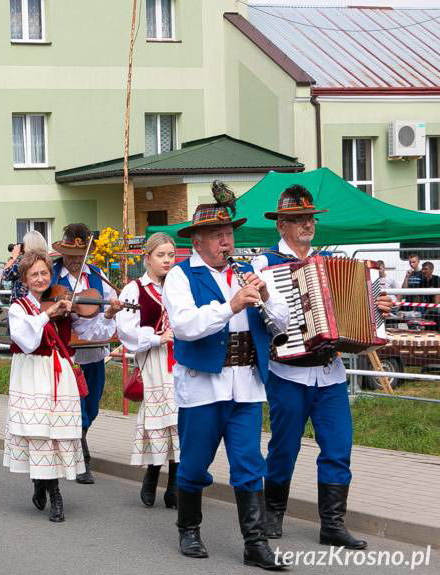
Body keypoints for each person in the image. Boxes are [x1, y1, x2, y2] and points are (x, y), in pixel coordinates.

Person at [252, 185, 393, 551]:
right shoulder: (265, 265)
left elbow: (358, 308)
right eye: (297, 219)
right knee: (284, 447)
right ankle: (273, 512)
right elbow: (273, 322)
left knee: (338, 446)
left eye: (310, 218)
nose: (307, 225)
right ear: (281, 225)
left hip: (330, 373)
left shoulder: (332, 260)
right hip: (289, 372)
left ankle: (332, 523)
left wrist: (377, 311)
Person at [163, 199, 289, 569]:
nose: (225, 241)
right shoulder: (181, 275)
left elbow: (281, 323)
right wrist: (231, 306)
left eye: (229, 234)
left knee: (250, 463)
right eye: (217, 235)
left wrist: (265, 296)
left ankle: (256, 543)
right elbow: (185, 326)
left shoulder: (247, 272)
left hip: (247, 383)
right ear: (197, 240)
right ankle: (188, 528)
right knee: (195, 463)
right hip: (203, 386)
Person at [4, 250, 120, 522]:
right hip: (31, 372)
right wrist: (48, 315)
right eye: (34, 274)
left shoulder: (64, 301)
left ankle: (53, 491)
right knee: (38, 432)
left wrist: (108, 315)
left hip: (60, 371)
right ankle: (43, 483)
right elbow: (27, 341)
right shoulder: (18, 308)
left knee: (58, 432)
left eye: (45, 272)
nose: (41, 278)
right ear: (24, 278)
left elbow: (92, 333)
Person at [50, 223, 119, 484]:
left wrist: (112, 309)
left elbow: (108, 304)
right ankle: (81, 458)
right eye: (70, 256)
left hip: (93, 350)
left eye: (80, 256)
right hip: (67, 351)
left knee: (93, 404)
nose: (76, 261)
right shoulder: (53, 275)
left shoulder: (97, 276)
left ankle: (82, 441)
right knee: (75, 405)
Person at [116, 232, 180, 509]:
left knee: (179, 422)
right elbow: (125, 330)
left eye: (170, 255)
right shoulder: (135, 289)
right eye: (161, 255)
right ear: (147, 258)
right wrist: (157, 337)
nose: (167, 260)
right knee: (159, 421)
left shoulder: (179, 287)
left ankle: (176, 483)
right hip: (154, 362)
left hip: (181, 362)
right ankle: (152, 474)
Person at [2, 230, 49, 301]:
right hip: (42, 302)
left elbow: (5, 275)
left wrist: (13, 257)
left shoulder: (23, 262)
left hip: (23, 304)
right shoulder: (46, 260)